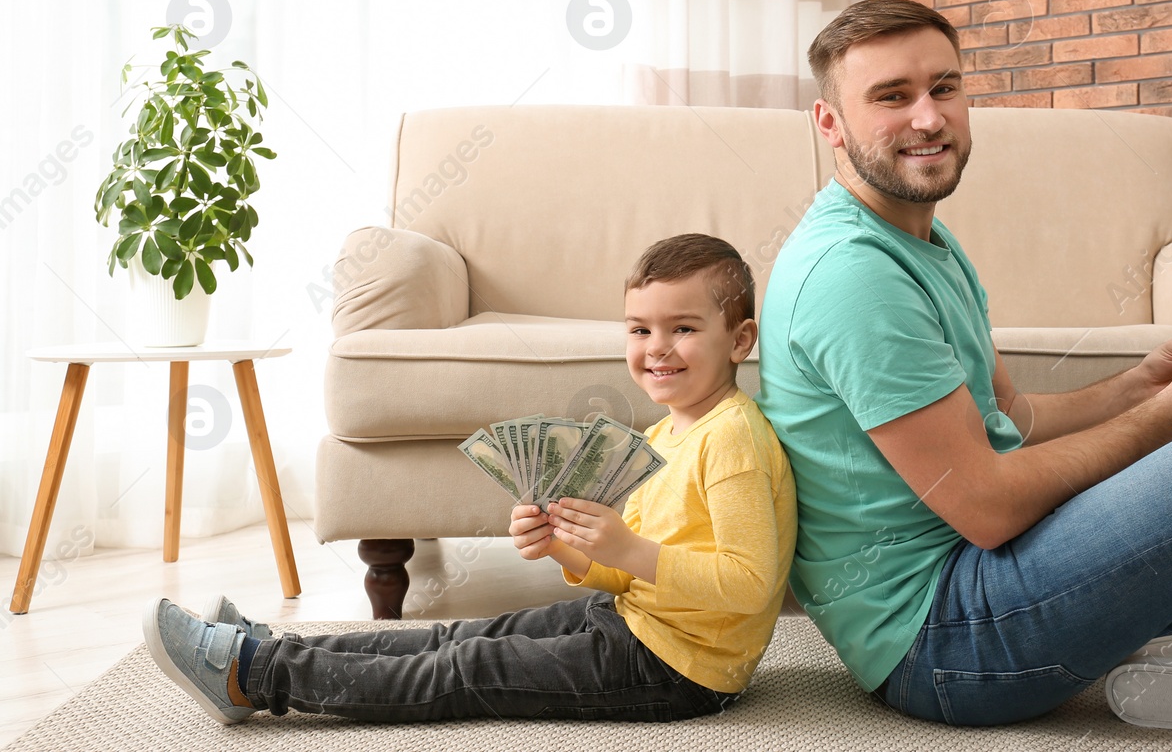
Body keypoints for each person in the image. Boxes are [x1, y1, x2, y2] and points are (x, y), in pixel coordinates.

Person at [756, 0, 1172, 741]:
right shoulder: (853, 274)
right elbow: (985, 507)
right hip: (945, 641)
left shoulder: (925, 239)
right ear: (831, 124)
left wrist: (1145, 384)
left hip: (985, 574)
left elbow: (1012, 416)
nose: (927, 118)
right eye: (891, 97)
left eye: (944, 88)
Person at [144, 233, 797, 726]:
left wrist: (627, 547)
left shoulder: (732, 439)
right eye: (640, 328)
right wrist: (570, 548)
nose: (657, 347)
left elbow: (749, 582)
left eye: (683, 328)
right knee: (457, 634)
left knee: (466, 668)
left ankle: (252, 674)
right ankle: (268, 644)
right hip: (631, 619)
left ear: (739, 341)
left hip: (682, 669)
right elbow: (631, 575)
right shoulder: (665, 434)